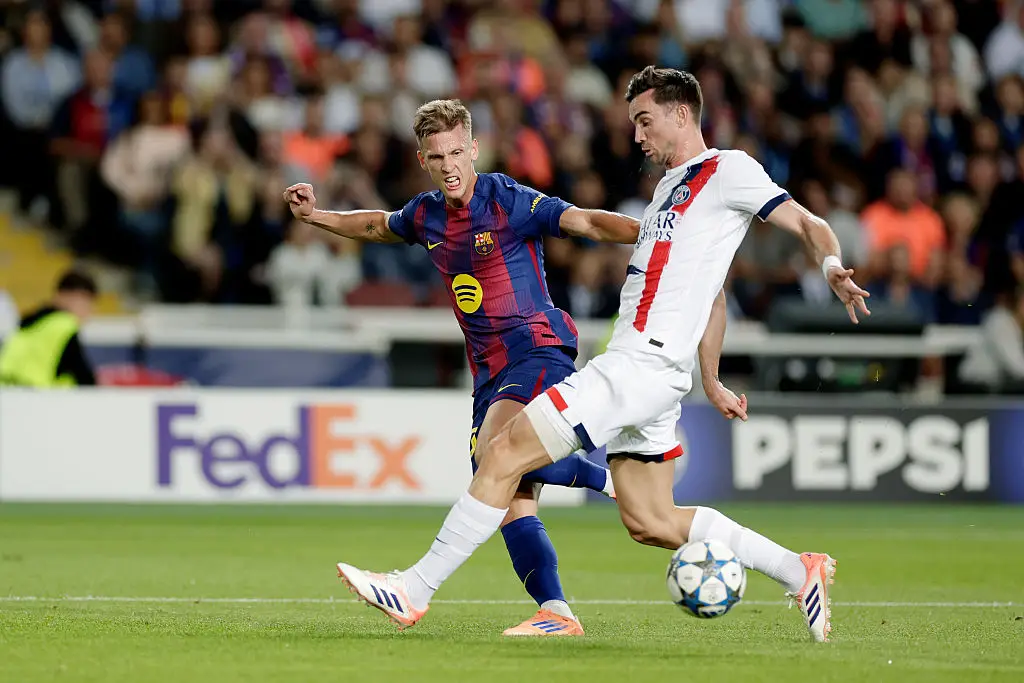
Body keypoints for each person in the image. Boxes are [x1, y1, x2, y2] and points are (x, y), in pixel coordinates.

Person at [335, 68, 871, 643]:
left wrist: (830, 266)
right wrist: (709, 378)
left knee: (501, 450)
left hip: (638, 364)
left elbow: (809, 222)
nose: (637, 136)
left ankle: (414, 589)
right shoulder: (669, 190)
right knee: (651, 521)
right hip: (657, 372)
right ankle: (799, 569)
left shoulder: (729, 170)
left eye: (645, 121)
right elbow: (712, 289)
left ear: (682, 114)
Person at [283, 99, 639, 636]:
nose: (449, 165)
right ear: (423, 159)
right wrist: (316, 216)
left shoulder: (507, 200)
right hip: (488, 371)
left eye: (456, 152)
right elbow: (378, 226)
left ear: (473, 149)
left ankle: (414, 589)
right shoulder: (426, 214)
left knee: (497, 454)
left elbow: (585, 220)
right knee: (505, 493)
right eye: (436, 156)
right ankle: (557, 612)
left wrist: (660, 234)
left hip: (537, 348)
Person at [0, 270, 98, 387]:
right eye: (86, 303)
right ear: (67, 296)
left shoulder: (31, 322)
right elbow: (83, 376)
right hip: (36, 395)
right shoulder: (64, 324)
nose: (89, 311)